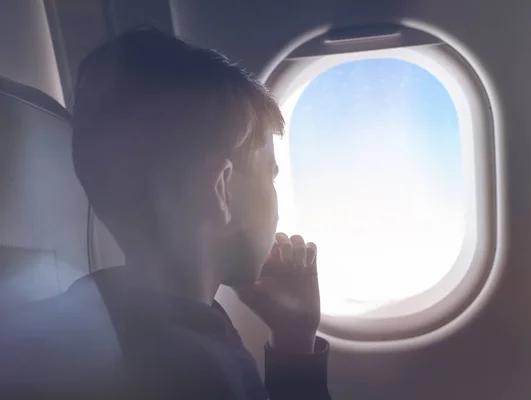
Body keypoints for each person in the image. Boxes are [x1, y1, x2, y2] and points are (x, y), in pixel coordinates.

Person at [0, 27, 331, 399]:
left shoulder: (100, 304)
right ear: (221, 190)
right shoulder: (198, 374)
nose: (277, 205)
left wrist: (293, 334)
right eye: (269, 176)